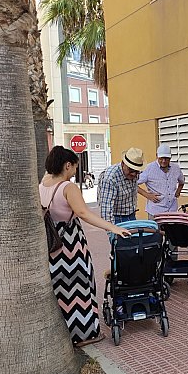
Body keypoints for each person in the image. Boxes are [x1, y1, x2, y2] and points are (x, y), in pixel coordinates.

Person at [39, 146, 131, 347]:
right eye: (74, 167)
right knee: (80, 287)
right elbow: (84, 213)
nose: (75, 172)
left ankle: (66, 333)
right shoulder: (68, 187)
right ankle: (85, 335)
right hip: (71, 245)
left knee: (61, 289)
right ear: (67, 165)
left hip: (51, 243)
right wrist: (113, 228)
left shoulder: (43, 183)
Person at [97, 147, 146, 227]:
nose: (134, 174)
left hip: (131, 214)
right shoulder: (110, 177)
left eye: (137, 171)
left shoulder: (135, 174)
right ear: (123, 164)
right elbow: (106, 208)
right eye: (131, 170)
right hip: (116, 217)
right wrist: (111, 229)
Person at [137, 144, 185, 219]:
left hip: (172, 210)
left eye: (166, 158)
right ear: (157, 156)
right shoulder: (149, 168)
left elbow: (182, 181)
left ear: (170, 157)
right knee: (155, 227)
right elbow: (133, 184)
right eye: (161, 158)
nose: (164, 161)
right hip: (156, 211)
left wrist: (178, 191)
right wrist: (147, 195)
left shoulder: (176, 168)